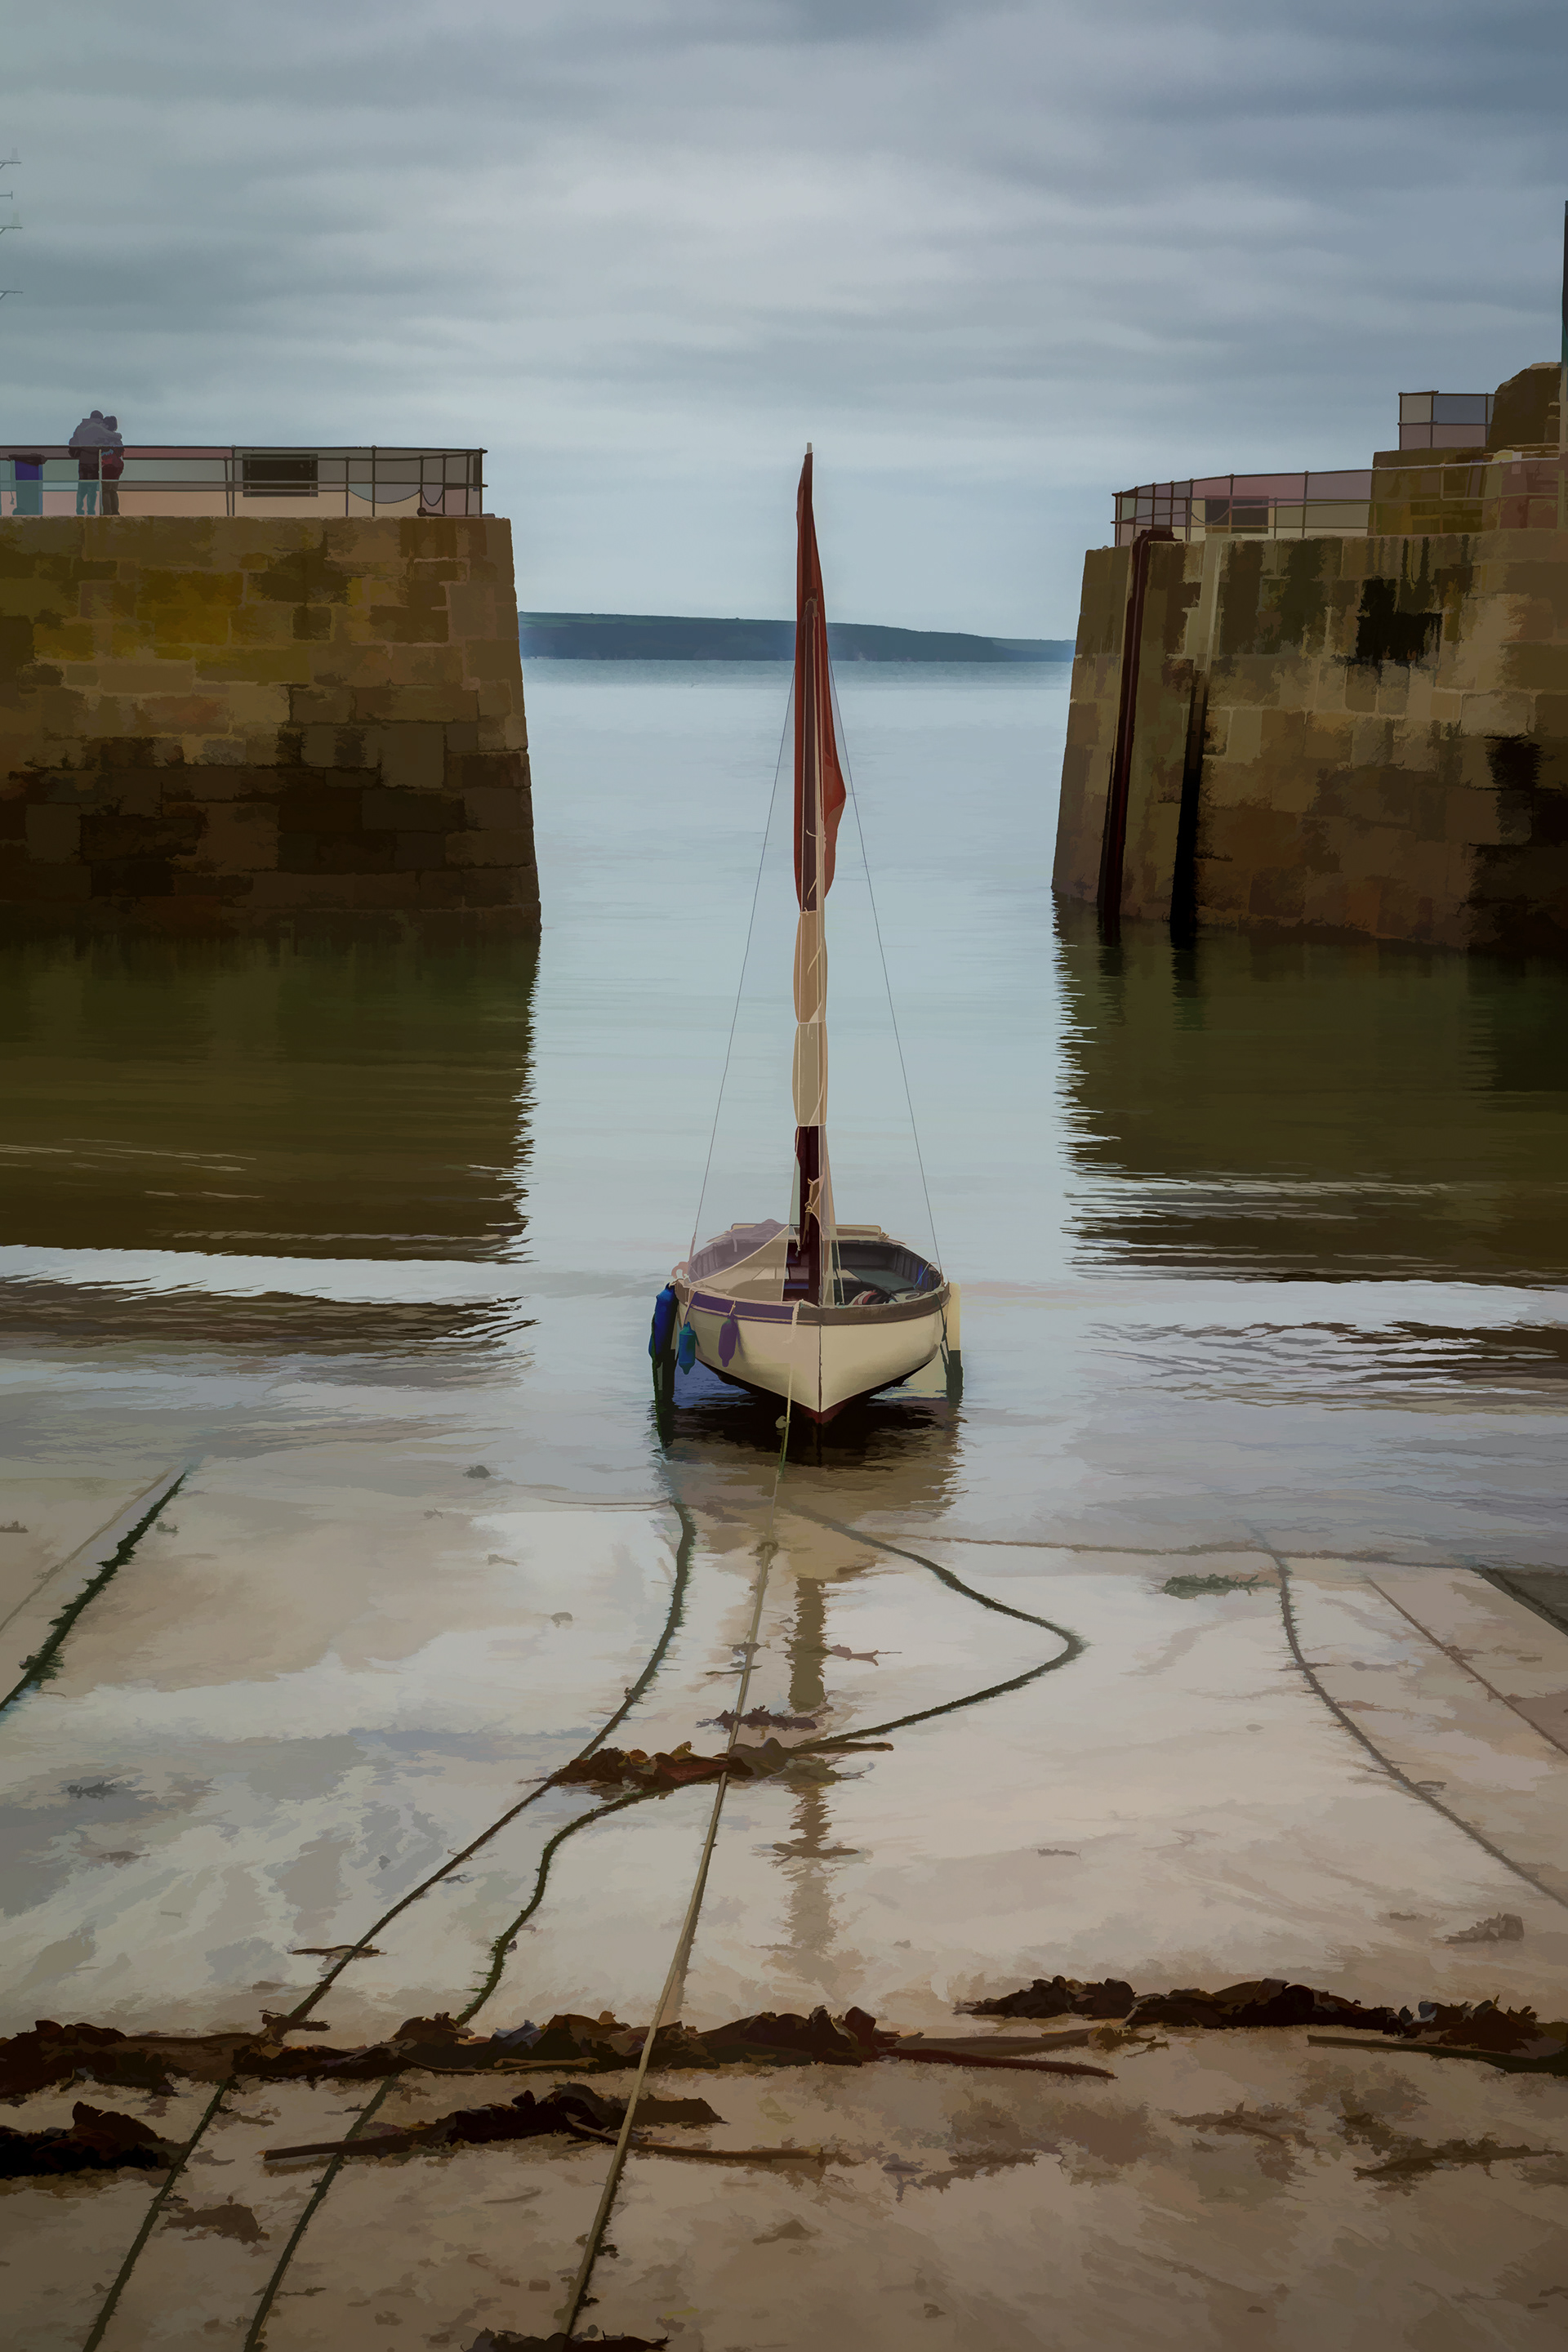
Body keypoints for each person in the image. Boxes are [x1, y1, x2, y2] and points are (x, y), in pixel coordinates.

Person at [69, 408, 111, 514]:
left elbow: (74, 440)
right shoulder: (96, 428)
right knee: (92, 488)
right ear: (98, 419)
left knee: (81, 487)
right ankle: (91, 510)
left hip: (82, 461)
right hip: (93, 461)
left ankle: (79, 509)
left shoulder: (80, 427)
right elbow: (109, 438)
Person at [100, 415, 125, 514]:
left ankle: (107, 512)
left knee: (106, 490)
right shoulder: (118, 439)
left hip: (107, 465)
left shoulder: (104, 439)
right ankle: (115, 512)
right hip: (118, 466)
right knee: (113, 490)